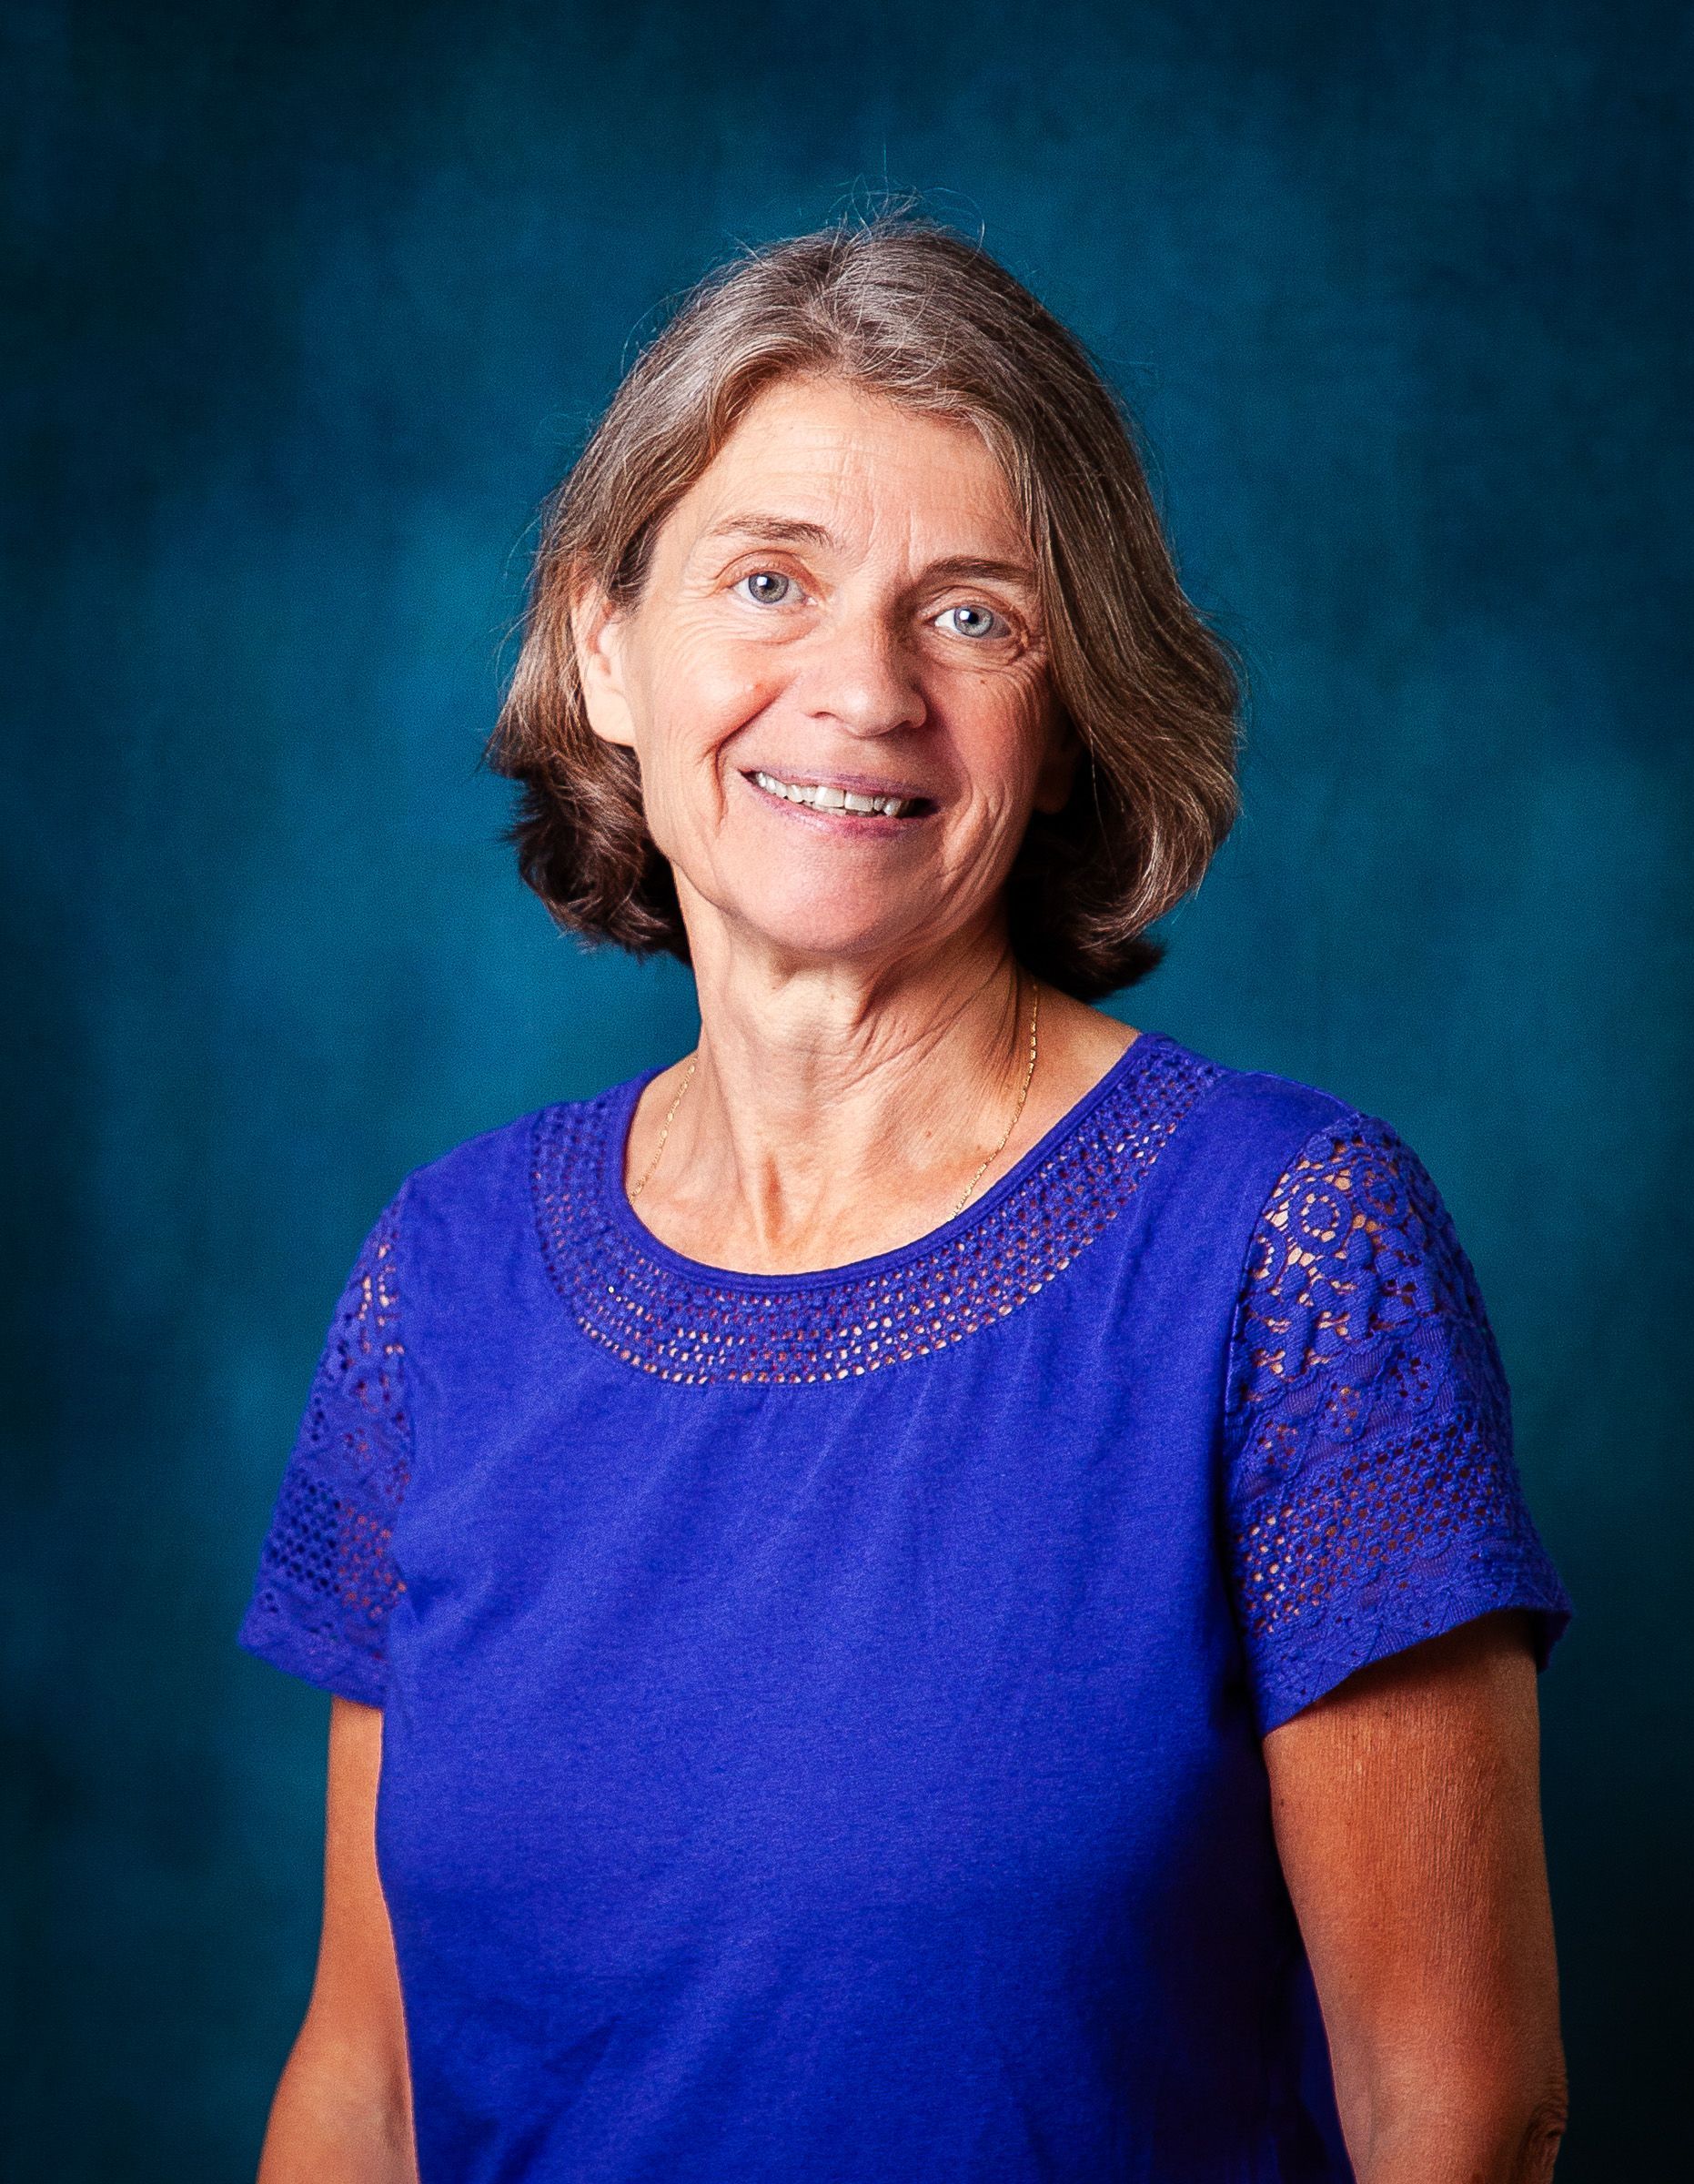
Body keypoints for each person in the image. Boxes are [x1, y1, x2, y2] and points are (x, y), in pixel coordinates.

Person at [237, 214, 1574, 2184]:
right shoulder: (437, 1278)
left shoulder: (1291, 1247)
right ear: (607, 644)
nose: (859, 688)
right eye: (768, 579)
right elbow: (367, 2079)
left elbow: (1460, 2114)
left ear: (1068, 722)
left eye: (972, 614)